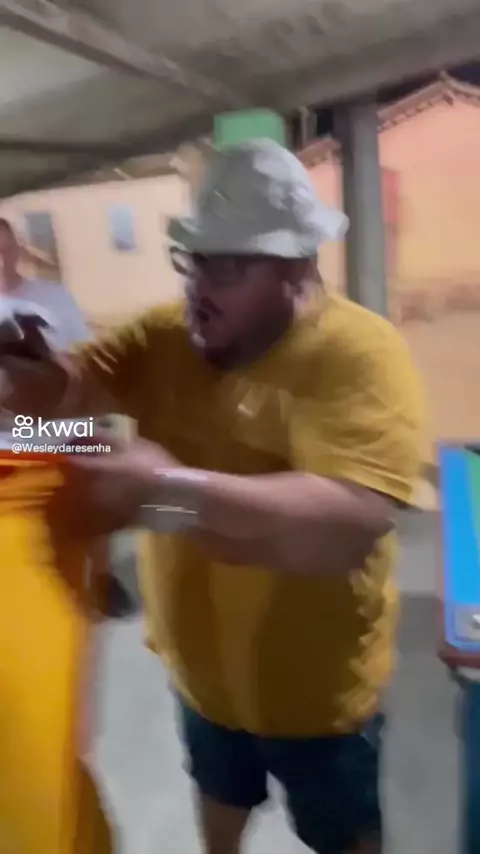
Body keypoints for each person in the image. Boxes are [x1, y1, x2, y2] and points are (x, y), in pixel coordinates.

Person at [0, 140, 425, 854]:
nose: (199, 285)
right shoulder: (167, 337)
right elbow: (76, 400)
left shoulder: (357, 355)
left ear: (296, 267)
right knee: (219, 816)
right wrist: (37, 389)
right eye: (194, 260)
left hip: (317, 696)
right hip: (203, 683)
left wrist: (165, 491)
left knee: (345, 835)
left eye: (229, 266)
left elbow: (349, 521)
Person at [0, 216, 134, 618]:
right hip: (8, 435)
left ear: (18, 249)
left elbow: (83, 362)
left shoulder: (54, 298)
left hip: (62, 424)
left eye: (6, 248)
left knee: (100, 481)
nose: (2, 258)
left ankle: (102, 578)